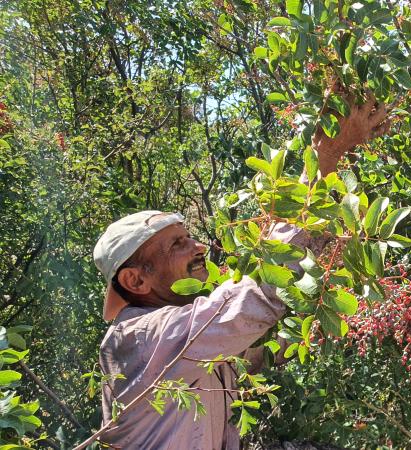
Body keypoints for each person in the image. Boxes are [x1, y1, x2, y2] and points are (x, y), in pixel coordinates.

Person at [92, 95, 389, 449]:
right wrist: (325, 157)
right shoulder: (140, 339)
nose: (199, 247)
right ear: (135, 280)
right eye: (176, 245)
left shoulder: (192, 335)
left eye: (189, 238)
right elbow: (254, 300)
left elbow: (259, 348)